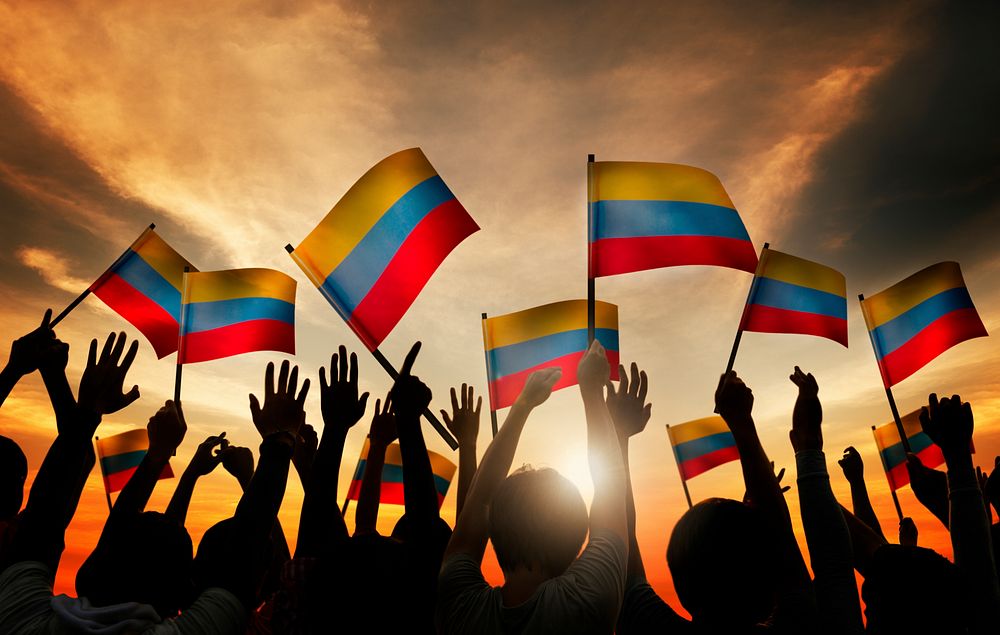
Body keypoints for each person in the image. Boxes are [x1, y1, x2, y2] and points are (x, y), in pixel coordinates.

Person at [436, 339, 629, 635]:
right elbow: (612, 486)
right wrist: (592, 390)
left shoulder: (460, 608)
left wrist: (522, 405)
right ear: (578, 535)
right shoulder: (590, 601)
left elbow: (479, 503)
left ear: (493, 530)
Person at [618, 370, 819, 634]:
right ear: (765, 575)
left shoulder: (651, 625)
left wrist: (618, 436)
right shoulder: (800, 624)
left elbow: (622, 548)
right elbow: (781, 538)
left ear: (682, 582)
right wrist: (741, 421)